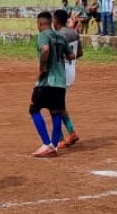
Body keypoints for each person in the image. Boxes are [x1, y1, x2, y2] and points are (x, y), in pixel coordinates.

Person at [29, 10, 70, 157]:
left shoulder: (43, 35)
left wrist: (42, 68)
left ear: (40, 24)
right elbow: (71, 55)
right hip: (60, 82)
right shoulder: (60, 36)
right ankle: (54, 146)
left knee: (33, 109)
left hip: (47, 81)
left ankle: (47, 143)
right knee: (56, 112)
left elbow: (45, 49)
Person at [53, 8, 81, 148]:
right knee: (59, 105)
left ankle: (60, 139)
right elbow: (79, 53)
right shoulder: (74, 32)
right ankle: (70, 133)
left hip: (60, 73)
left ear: (56, 20)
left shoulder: (57, 35)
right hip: (71, 73)